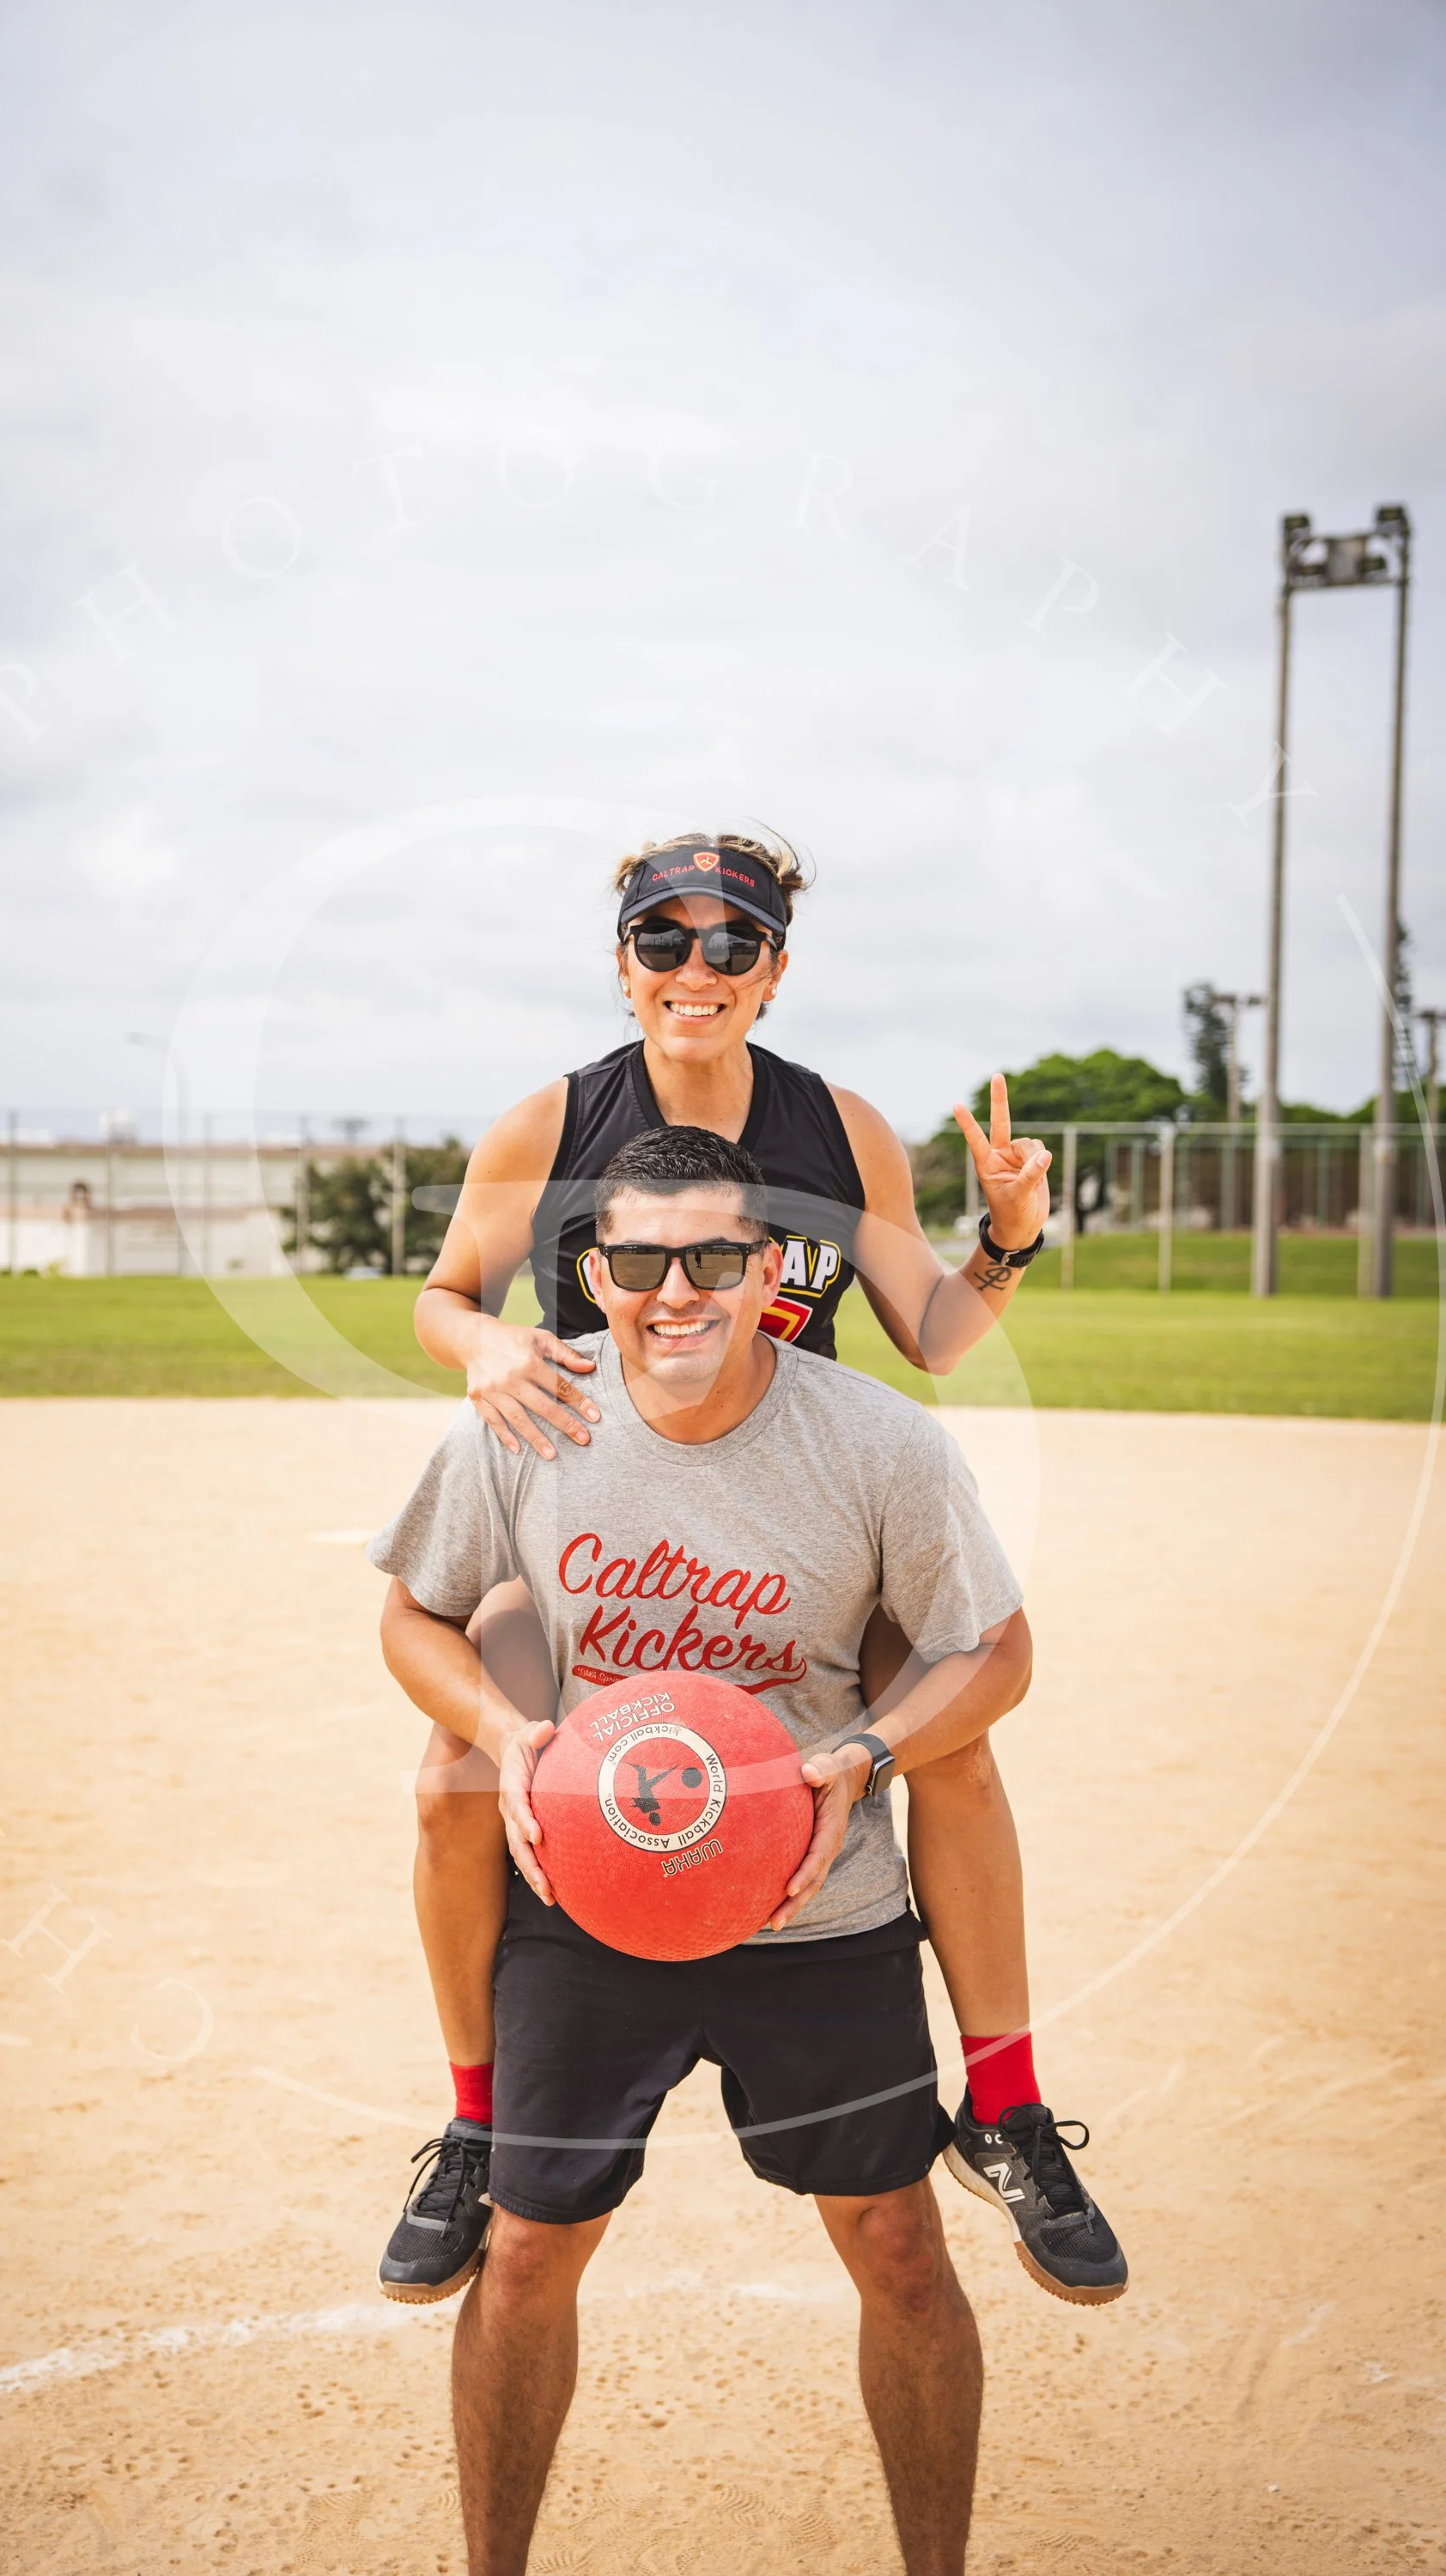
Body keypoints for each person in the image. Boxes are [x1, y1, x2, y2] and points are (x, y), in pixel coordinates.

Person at [378, 829, 1122, 2308]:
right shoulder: (550, 1126)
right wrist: (487, 1347)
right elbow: (443, 1295)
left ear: (775, 970)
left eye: (734, 943)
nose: (697, 969)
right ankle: (474, 2125)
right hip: (594, 1504)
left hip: (795, 1510)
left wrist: (1010, 1240)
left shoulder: (839, 1130)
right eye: (666, 939)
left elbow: (933, 1335)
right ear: (624, 962)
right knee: (454, 1768)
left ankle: (1006, 2109)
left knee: (955, 1733)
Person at [368, 1127, 1123, 2576]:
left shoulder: (879, 1444)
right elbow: (413, 1616)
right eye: (642, 1261)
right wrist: (504, 1730)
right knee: (524, 2254)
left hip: (816, 1904)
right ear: (594, 1275)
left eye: (715, 1258)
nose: (678, 1293)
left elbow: (996, 1652)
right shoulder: (532, 1418)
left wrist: (871, 1754)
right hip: (590, 1904)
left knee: (900, 2251)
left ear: (772, 1271)